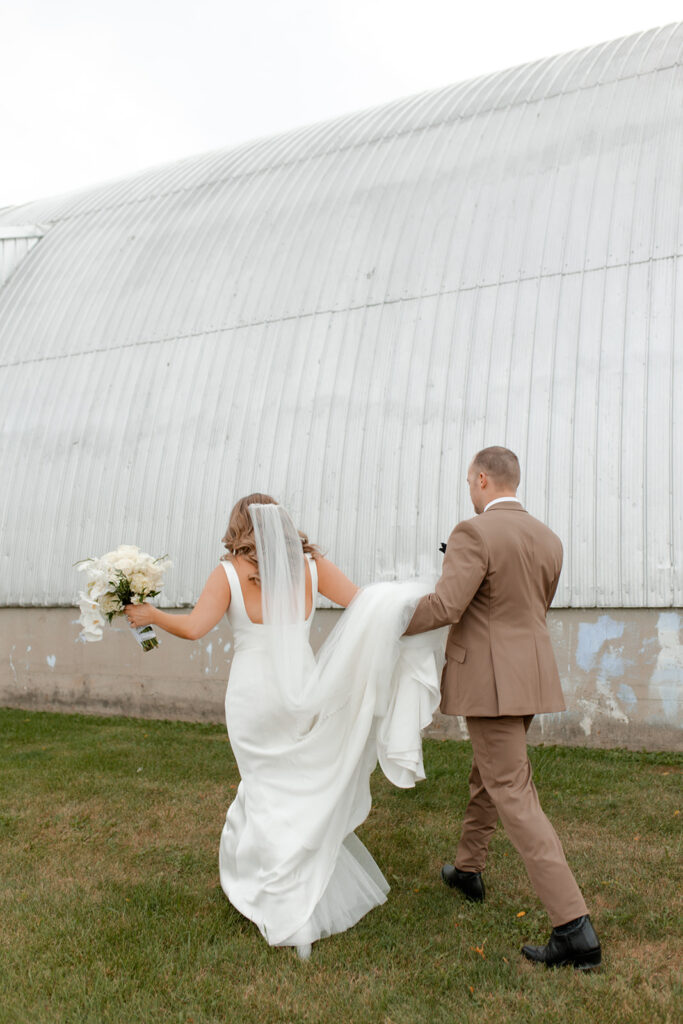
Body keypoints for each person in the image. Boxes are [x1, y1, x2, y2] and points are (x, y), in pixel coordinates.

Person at [126, 493, 445, 958]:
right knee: (299, 785)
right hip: (304, 687)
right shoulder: (312, 568)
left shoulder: (230, 573)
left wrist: (150, 616)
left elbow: (195, 628)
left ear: (237, 528)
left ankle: (279, 897)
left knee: (264, 788)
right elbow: (364, 608)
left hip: (254, 697)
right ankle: (299, 888)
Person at [404, 447, 602, 970]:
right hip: (531, 674)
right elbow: (533, 606)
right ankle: (468, 869)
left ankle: (574, 928)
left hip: (490, 680)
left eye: (471, 481)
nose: (470, 490)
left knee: (512, 791)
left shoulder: (474, 531)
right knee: (489, 773)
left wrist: (388, 620)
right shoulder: (548, 538)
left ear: (483, 479)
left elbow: (448, 605)